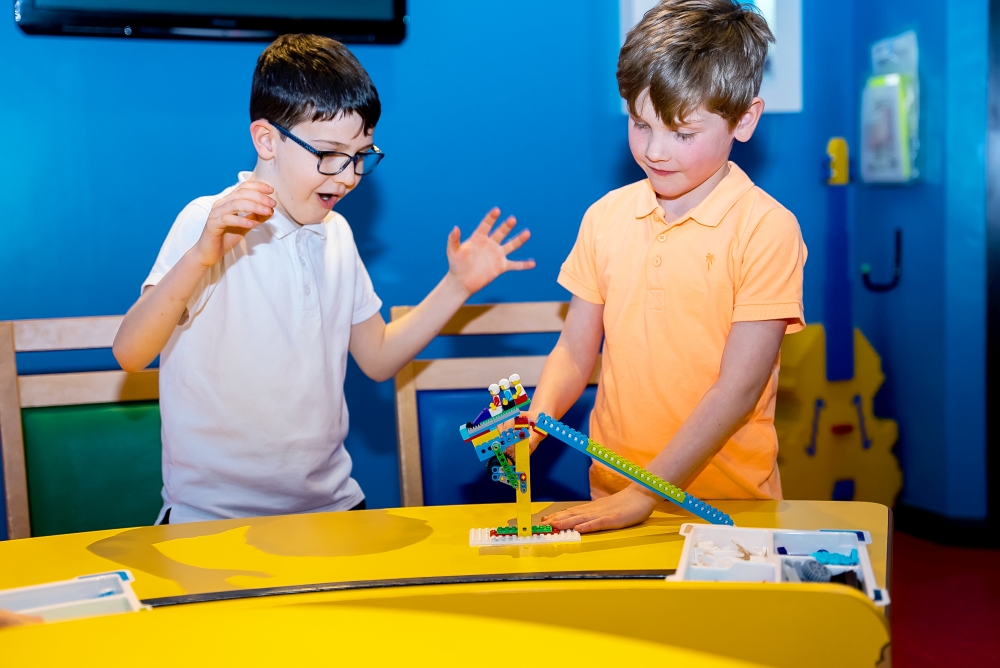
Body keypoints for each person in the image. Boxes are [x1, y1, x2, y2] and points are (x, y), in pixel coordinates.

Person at [113, 34, 533, 525]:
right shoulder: (209, 222)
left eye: (361, 155)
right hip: (213, 518)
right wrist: (202, 255)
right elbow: (131, 353)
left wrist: (456, 286)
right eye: (330, 154)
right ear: (267, 139)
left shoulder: (335, 234)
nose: (349, 175)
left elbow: (376, 358)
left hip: (331, 508)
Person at [533, 0, 807, 533]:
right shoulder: (605, 217)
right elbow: (573, 351)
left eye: (682, 134)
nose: (656, 150)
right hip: (611, 500)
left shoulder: (766, 228)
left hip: (729, 509)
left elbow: (737, 390)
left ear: (744, 119)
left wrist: (644, 493)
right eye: (640, 124)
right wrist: (534, 423)